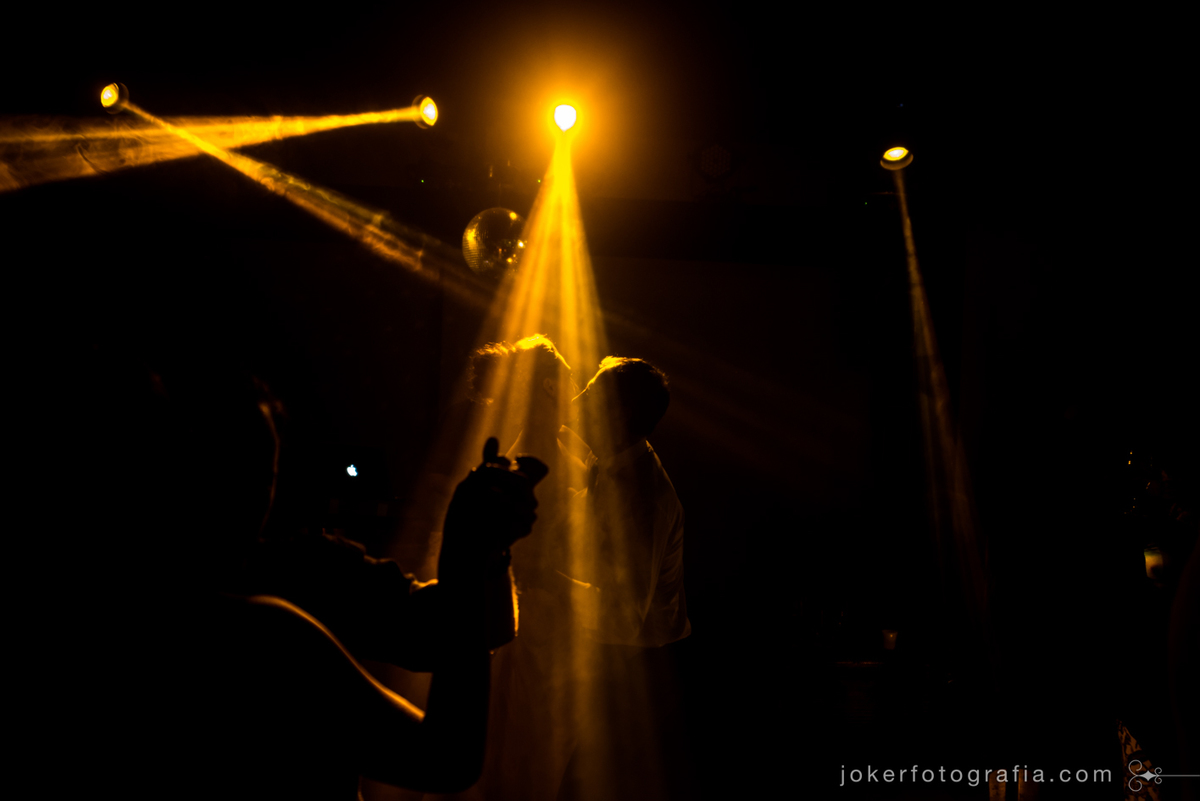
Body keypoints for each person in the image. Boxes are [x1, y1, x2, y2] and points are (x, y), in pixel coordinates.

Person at [80, 348, 546, 800]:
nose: (246, 502)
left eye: (261, 477)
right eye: (225, 474)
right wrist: (471, 551)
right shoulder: (266, 630)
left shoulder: (306, 568)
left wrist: (488, 555)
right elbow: (444, 758)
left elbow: (477, 625)